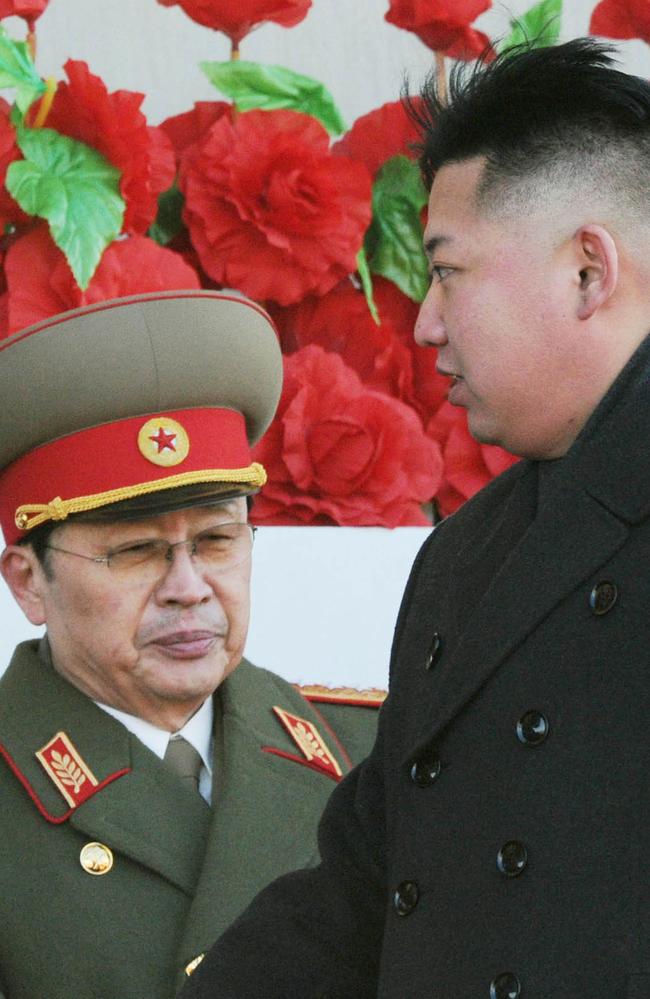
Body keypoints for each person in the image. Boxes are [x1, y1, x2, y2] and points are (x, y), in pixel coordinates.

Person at [180, 38, 650, 999]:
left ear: (586, 274)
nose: (426, 321)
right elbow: (371, 875)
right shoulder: (466, 554)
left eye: (449, 271)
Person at [0, 290, 383, 999]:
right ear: (28, 581)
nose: (189, 587)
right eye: (138, 552)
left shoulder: (368, 753)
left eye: (215, 541)